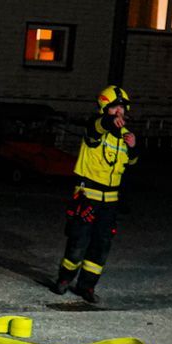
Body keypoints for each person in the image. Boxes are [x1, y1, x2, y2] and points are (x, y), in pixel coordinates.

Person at [51, 85, 139, 304]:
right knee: (78, 241)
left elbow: (132, 162)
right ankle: (64, 278)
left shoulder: (124, 136)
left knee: (101, 245)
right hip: (88, 196)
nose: (119, 112)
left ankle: (87, 286)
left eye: (122, 108)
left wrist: (134, 147)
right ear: (104, 108)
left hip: (110, 201)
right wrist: (110, 121)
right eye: (115, 107)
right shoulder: (95, 127)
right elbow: (98, 126)